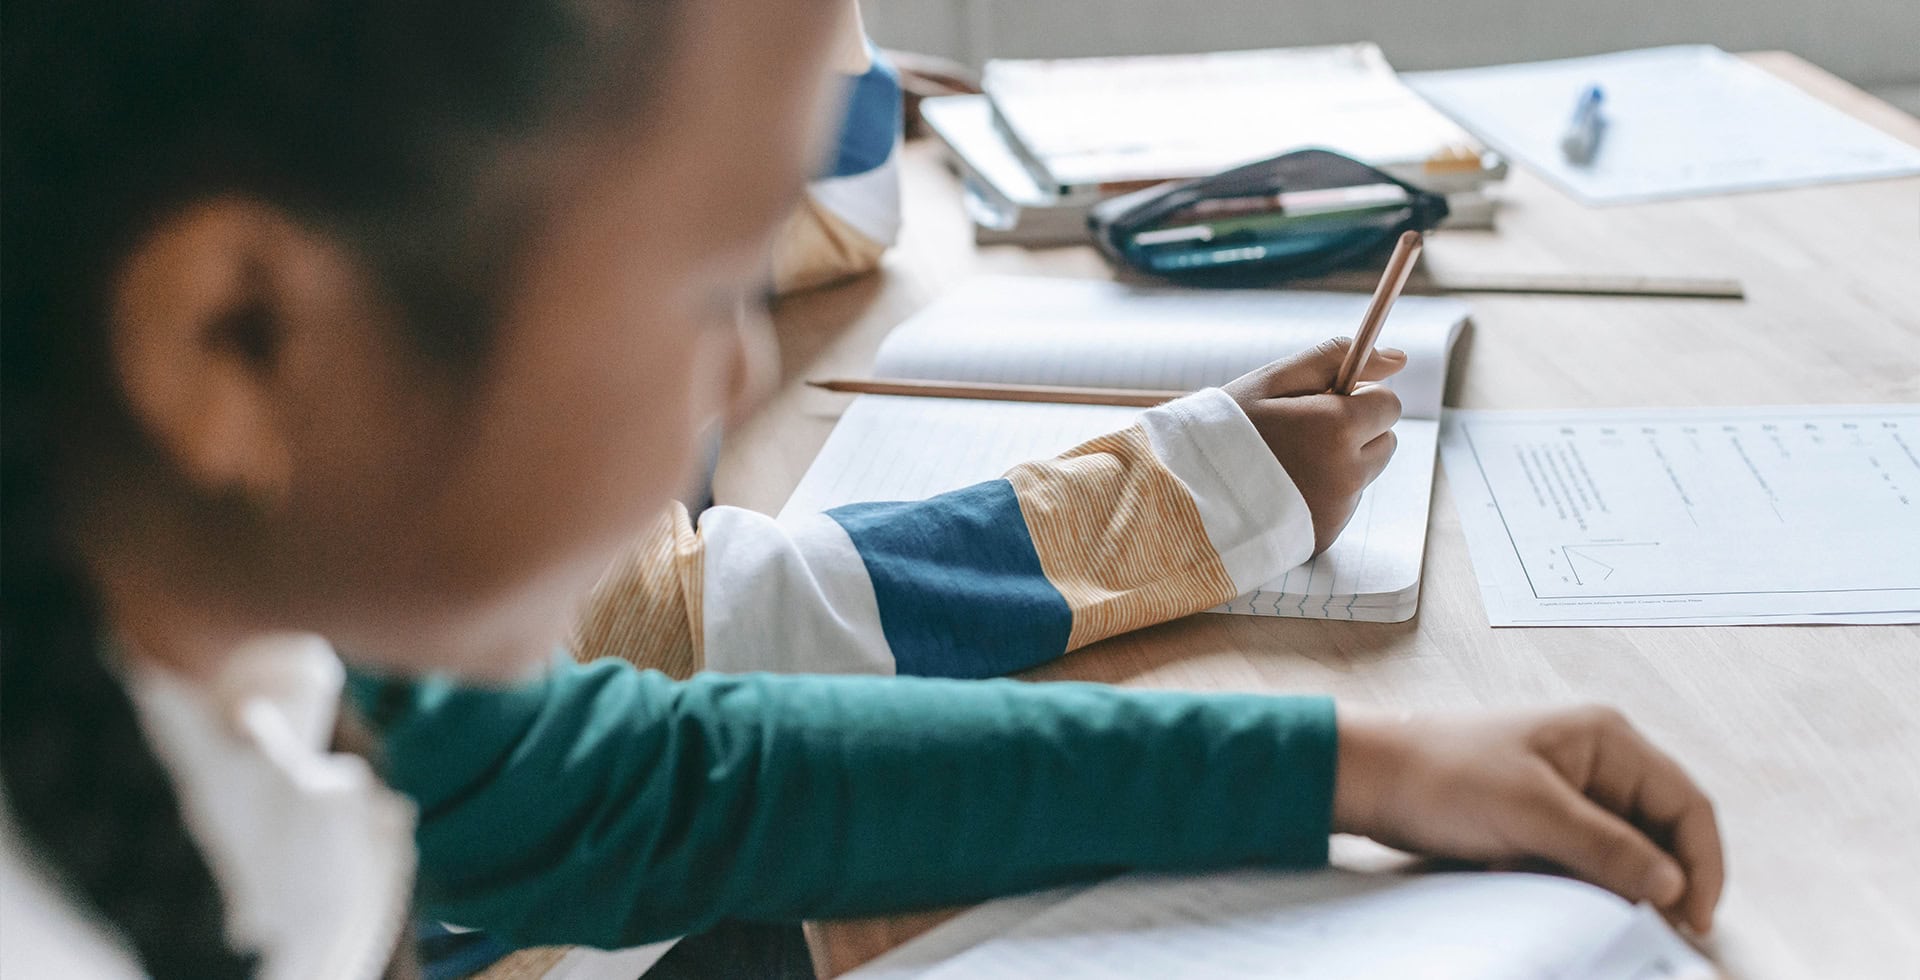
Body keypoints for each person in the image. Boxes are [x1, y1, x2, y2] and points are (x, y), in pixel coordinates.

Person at [0, 2, 1725, 978]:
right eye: (700, 286)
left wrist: (1368, 764)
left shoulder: (263, 625)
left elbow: (633, 782)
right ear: (234, 339)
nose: (743, 371)